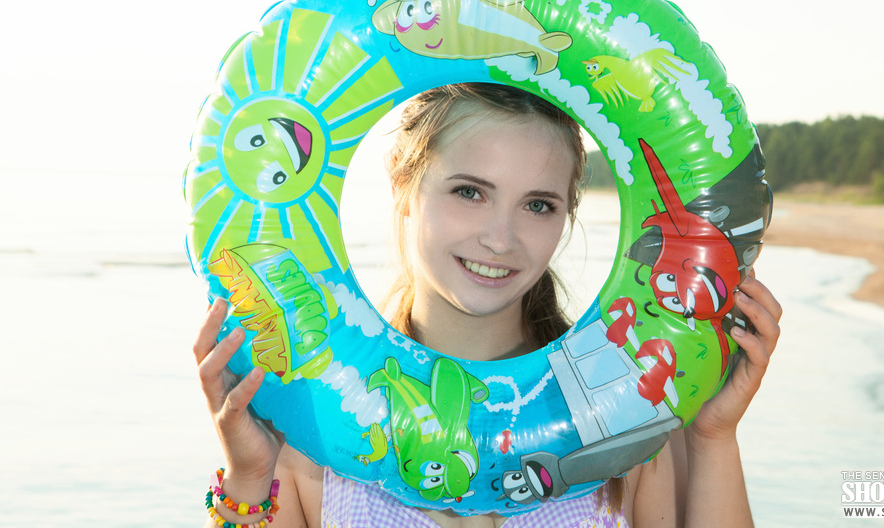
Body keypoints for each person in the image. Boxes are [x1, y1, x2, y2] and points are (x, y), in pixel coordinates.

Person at [195, 83, 782, 527]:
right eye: (470, 192)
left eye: (538, 205)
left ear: (567, 214)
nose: (501, 239)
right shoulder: (318, 429)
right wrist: (249, 473)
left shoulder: (625, 417)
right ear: (403, 185)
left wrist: (713, 438)